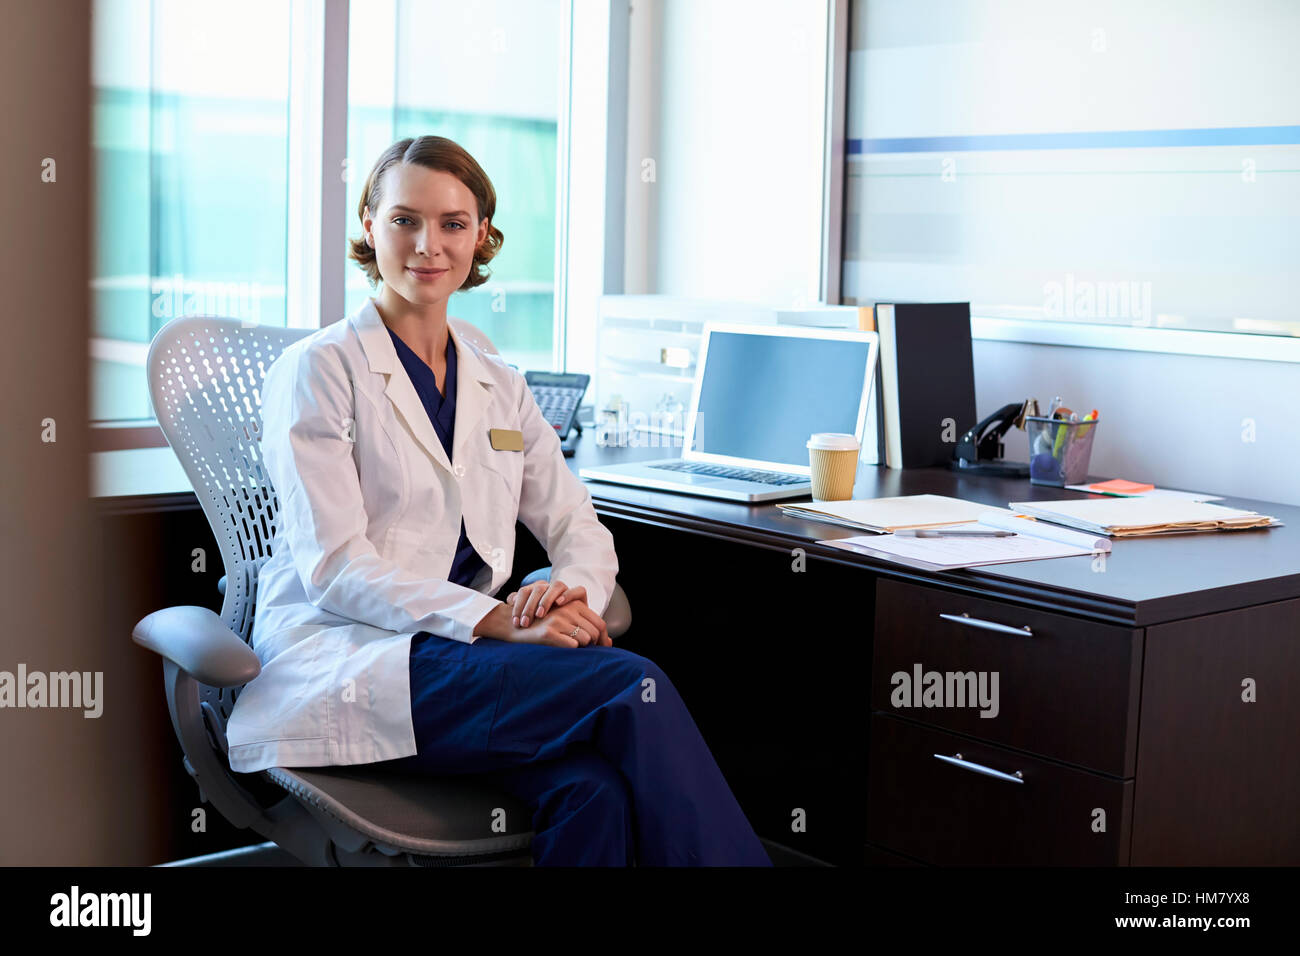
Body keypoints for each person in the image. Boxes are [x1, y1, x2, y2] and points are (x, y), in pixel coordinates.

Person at [224, 135, 770, 867]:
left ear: (481, 235)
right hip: (358, 658)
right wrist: (495, 619)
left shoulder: (496, 380)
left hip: (461, 662)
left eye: (453, 223)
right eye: (404, 220)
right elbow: (335, 568)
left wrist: (567, 595)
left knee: (593, 791)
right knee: (629, 686)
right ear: (368, 224)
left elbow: (575, 522)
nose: (428, 245)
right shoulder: (320, 370)